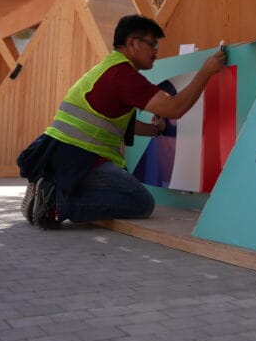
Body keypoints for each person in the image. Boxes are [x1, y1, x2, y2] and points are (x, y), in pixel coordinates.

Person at [17, 14, 226, 229]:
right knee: (141, 202)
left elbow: (122, 125)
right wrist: (206, 71)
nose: (156, 51)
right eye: (152, 44)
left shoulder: (108, 68)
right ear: (132, 43)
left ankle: (51, 187)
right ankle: (56, 202)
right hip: (80, 158)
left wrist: (155, 130)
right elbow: (175, 108)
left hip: (60, 154)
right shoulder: (123, 75)